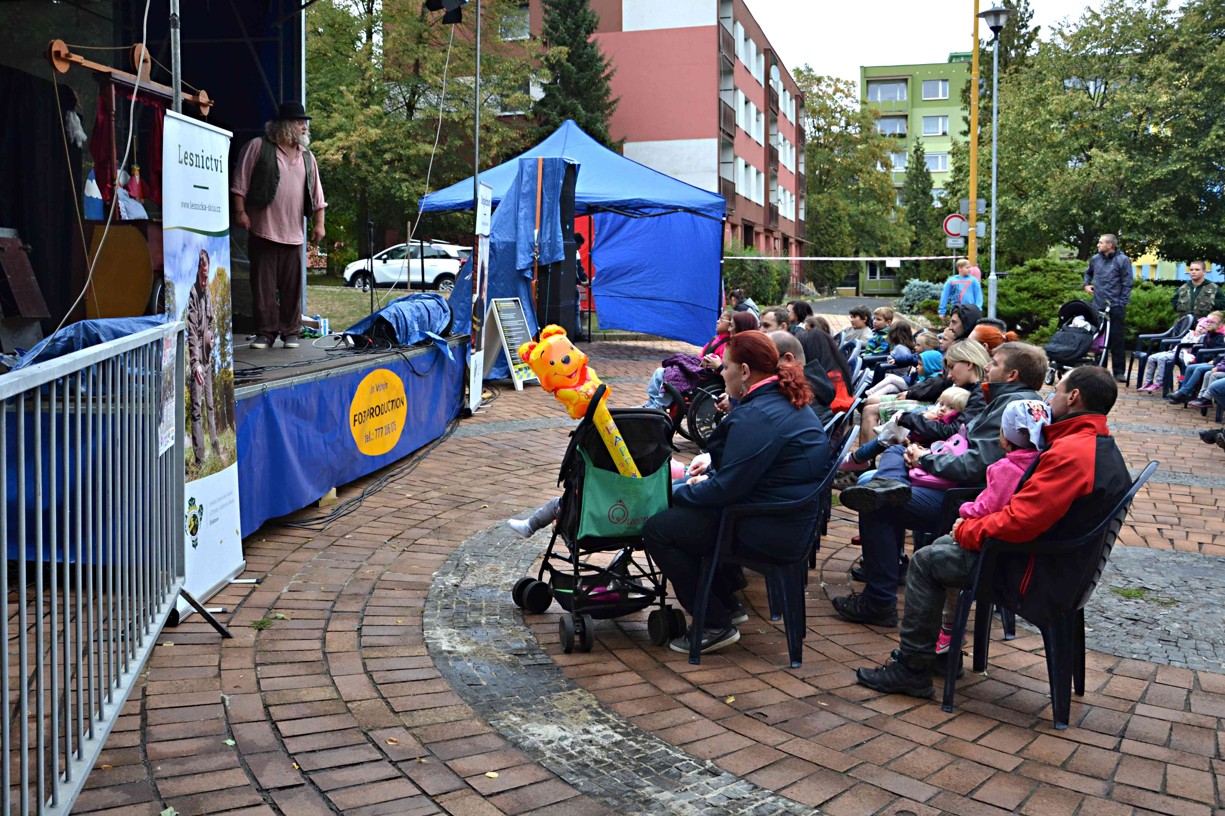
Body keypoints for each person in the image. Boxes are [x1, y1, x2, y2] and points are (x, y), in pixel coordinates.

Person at [855, 367, 1129, 697]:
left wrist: (969, 530)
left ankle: (913, 668)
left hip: (1034, 571)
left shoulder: (1072, 452)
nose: (1050, 398)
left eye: (1056, 391)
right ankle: (940, 653)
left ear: (1073, 397)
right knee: (941, 545)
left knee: (927, 561)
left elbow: (1020, 521)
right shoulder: (1095, 443)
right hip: (1055, 564)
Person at [832, 342, 1047, 626]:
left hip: (965, 500)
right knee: (886, 472)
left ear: (1012, 374)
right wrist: (927, 455)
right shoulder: (1013, 401)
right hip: (960, 488)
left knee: (877, 504)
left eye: (995, 363)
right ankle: (888, 492)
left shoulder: (1012, 407)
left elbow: (977, 466)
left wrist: (926, 460)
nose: (987, 366)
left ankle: (878, 601)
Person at [642, 331, 830, 654]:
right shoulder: (778, 397)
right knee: (684, 507)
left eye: (725, 366)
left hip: (771, 527)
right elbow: (741, 472)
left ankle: (714, 622)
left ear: (744, 371)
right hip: (785, 517)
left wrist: (672, 495)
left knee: (659, 529)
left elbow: (725, 489)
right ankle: (725, 604)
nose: (721, 373)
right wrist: (700, 481)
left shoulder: (760, 414)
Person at [931, 398, 1051, 655]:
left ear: (1006, 438)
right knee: (943, 548)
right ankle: (947, 629)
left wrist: (964, 511)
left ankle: (948, 628)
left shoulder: (1006, 468)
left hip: (991, 546)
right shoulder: (1043, 461)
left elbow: (987, 508)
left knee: (940, 555)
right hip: (1012, 546)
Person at [231, 100, 327, 350]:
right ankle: (265, 333)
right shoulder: (258, 147)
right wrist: (240, 212)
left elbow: (318, 196)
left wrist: (319, 224)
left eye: (305, 122)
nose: (305, 127)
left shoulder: (308, 158)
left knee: (292, 288)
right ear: (284, 125)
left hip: (294, 235)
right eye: (299, 122)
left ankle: (291, 332)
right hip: (263, 230)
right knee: (263, 287)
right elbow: (240, 183)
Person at [643, 310, 730, 409]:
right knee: (660, 372)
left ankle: (659, 405)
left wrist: (711, 362)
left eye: (722, 319)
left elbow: (721, 364)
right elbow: (700, 357)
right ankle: (651, 402)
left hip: (705, 377)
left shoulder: (727, 345)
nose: (717, 321)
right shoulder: (715, 339)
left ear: (730, 326)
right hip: (699, 370)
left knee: (672, 377)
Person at [187, 248, 223, 466]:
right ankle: (200, 461)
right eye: (202, 275)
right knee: (197, 409)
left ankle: (217, 450)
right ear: (197, 271)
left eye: (206, 276)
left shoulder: (208, 294)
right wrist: (195, 364)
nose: (204, 280)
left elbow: (210, 323)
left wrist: (213, 337)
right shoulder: (193, 294)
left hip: (208, 359)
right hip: (198, 363)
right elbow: (191, 332)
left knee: (210, 405)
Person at [1083, 233, 1134, 382]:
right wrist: (1086, 284)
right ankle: (1100, 369)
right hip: (1098, 305)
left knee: (1117, 339)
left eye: (1100, 242)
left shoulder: (1123, 260)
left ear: (1109, 245)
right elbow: (1088, 273)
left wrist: (1121, 303)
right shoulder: (1095, 259)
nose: (1098, 245)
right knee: (1099, 339)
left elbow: (1127, 283)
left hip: (1115, 306)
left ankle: (1119, 372)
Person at [1138, 312, 1224, 392]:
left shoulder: (1209, 337)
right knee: (1151, 357)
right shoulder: (1194, 334)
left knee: (1163, 359)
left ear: (1220, 325)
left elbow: (1216, 351)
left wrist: (1213, 360)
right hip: (1175, 351)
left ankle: (1160, 383)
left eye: (1204, 327)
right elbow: (1183, 341)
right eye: (1201, 325)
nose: (1202, 328)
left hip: (1186, 355)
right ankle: (1149, 382)